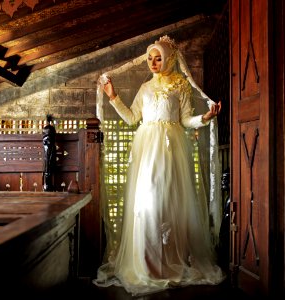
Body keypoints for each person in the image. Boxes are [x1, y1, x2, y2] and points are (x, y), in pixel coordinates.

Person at [93, 35, 225, 296]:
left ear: (169, 59)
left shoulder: (181, 87)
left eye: (158, 58)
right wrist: (113, 96)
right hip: (148, 154)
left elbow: (186, 121)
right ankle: (147, 265)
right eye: (150, 58)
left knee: (171, 205)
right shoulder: (145, 89)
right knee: (148, 204)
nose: (153, 62)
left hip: (172, 151)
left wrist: (206, 116)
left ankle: (171, 264)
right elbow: (132, 119)